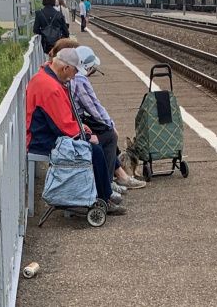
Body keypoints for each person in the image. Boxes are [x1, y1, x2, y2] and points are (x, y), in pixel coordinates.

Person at [26, 47, 125, 215]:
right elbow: (62, 126)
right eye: (73, 72)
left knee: (96, 144)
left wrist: (83, 129)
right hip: (43, 140)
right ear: (65, 68)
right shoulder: (51, 88)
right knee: (95, 150)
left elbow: (62, 121)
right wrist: (86, 136)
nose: (73, 77)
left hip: (43, 133)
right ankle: (103, 198)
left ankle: (103, 193)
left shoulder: (46, 77)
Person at [71, 46, 146, 191]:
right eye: (91, 68)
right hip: (75, 125)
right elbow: (94, 107)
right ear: (86, 66)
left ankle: (119, 176)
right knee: (110, 135)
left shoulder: (72, 78)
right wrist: (110, 124)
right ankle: (108, 183)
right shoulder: (79, 80)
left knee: (105, 132)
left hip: (73, 121)